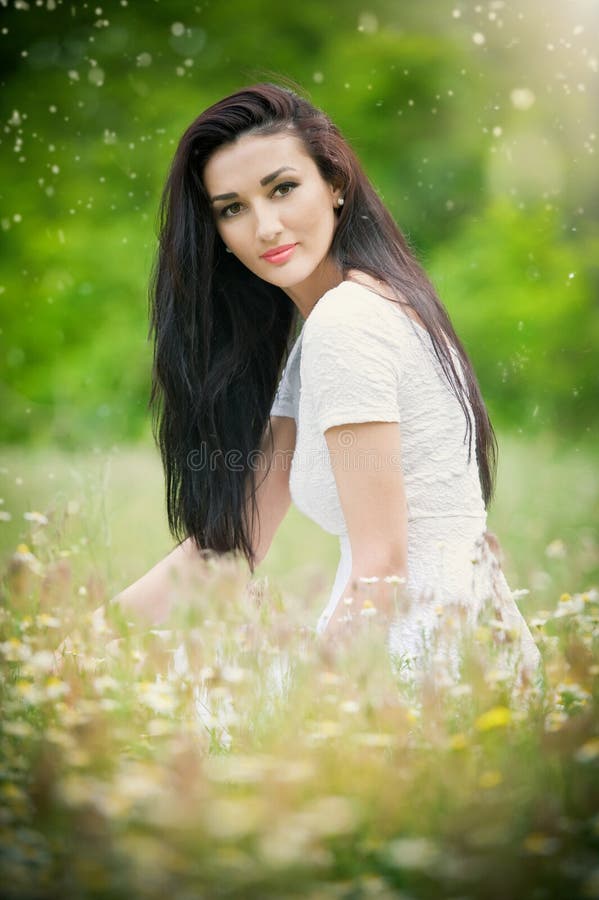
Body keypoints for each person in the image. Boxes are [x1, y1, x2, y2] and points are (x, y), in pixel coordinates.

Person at [115, 81, 542, 697]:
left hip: (421, 665)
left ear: (336, 183)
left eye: (283, 189)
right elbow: (232, 548)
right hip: (446, 649)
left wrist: (300, 711)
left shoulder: (349, 322)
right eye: (231, 208)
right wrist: (74, 645)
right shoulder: (339, 325)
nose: (265, 226)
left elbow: (382, 574)